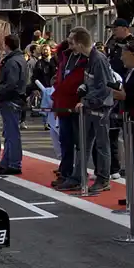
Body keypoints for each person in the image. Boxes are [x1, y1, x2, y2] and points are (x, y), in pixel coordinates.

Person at [67, 27, 114, 192]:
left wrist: (87, 100)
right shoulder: (89, 59)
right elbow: (94, 84)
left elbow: (105, 87)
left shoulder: (98, 59)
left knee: (101, 145)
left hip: (100, 109)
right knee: (84, 144)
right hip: (91, 107)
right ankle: (78, 176)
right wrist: (84, 89)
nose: (70, 47)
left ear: (80, 44)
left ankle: (103, 178)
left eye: (72, 43)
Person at [52, 30, 90, 189]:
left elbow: (89, 82)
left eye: (72, 41)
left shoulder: (88, 58)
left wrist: (83, 100)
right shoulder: (65, 56)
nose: (69, 44)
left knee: (80, 143)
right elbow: (60, 77)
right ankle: (66, 172)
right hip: (63, 104)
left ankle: (79, 175)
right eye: (68, 41)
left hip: (77, 106)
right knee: (65, 141)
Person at [105, 18, 134, 179]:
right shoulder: (113, 44)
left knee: (130, 135)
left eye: (115, 28)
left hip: (129, 91)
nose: (113, 32)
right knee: (113, 132)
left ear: (125, 28)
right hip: (116, 91)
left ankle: (130, 166)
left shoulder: (133, 44)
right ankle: (115, 166)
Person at [112, 40, 134, 208]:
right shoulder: (130, 71)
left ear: (133, 54)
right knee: (133, 159)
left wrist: (126, 97)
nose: (121, 57)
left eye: (124, 53)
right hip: (129, 119)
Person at [0, 34, 28, 175]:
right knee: (9, 132)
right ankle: (7, 161)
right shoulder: (20, 59)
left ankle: (13, 163)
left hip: (11, 99)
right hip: (16, 98)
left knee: (11, 133)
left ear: (7, 45)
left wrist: (0, 95)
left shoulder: (12, 62)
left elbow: (11, 83)